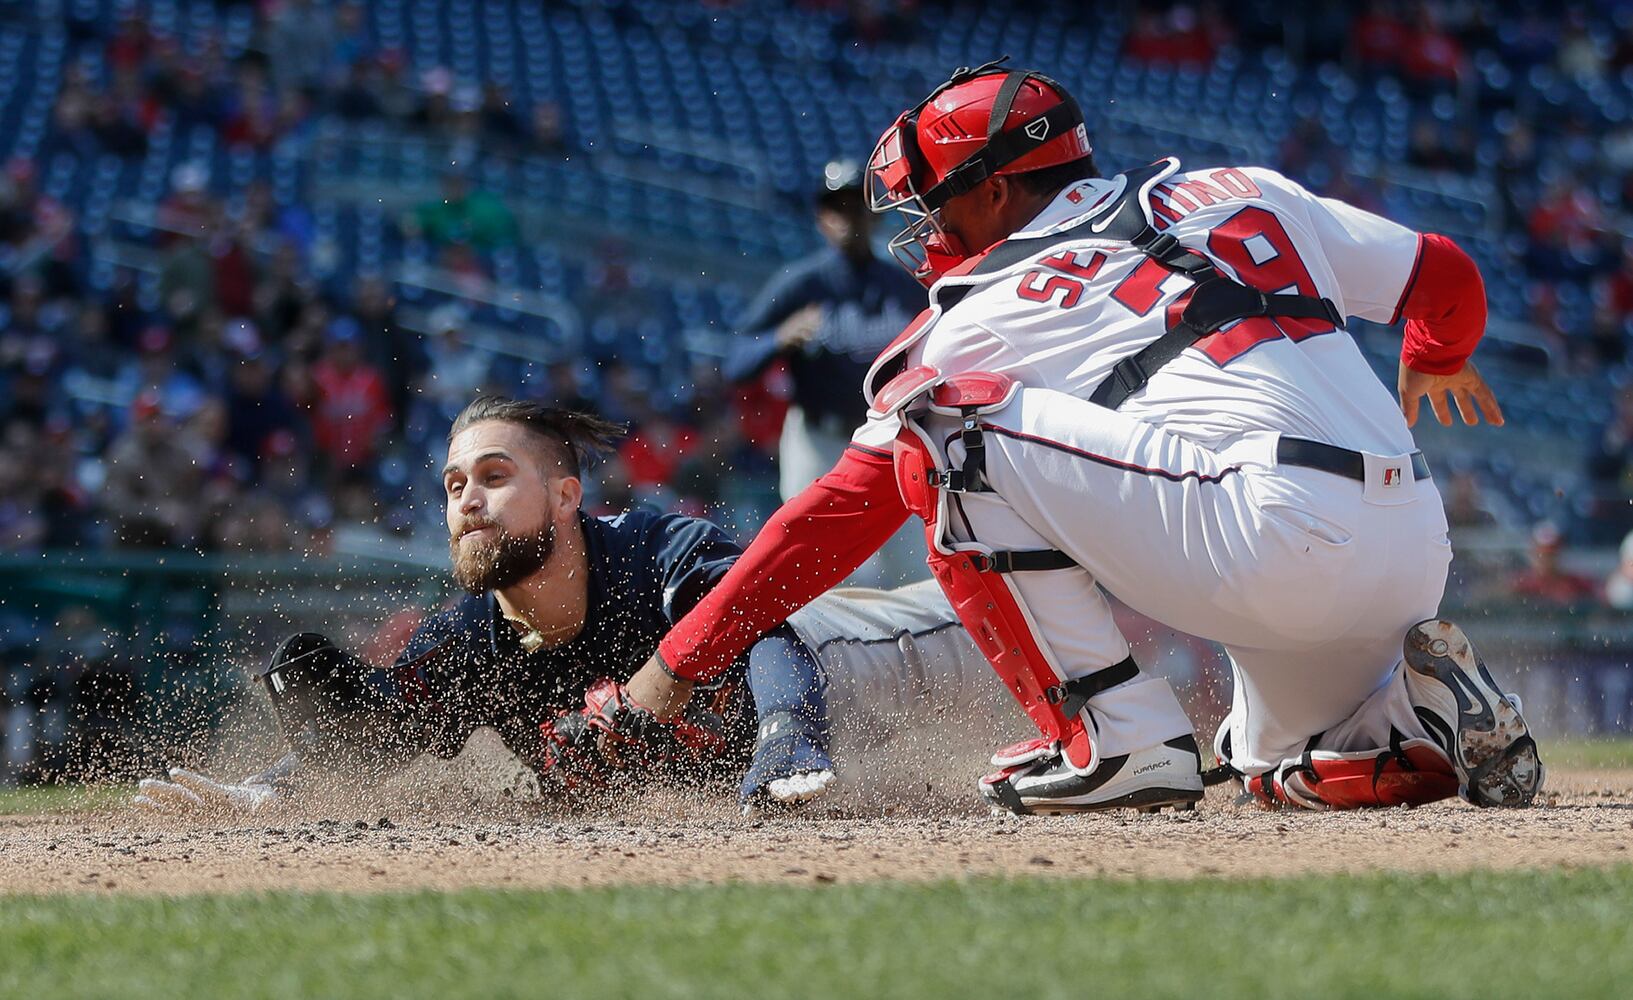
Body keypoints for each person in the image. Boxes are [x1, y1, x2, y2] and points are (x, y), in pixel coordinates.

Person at [622, 59, 1543, 815]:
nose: (924, 226)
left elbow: (828, 520)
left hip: (1266, 539)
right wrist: (1435, 352)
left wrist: (672, 666)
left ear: (993, 191)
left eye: (932, 200)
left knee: (939, 426)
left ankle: (1109, 736)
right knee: (1274, 767)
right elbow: (1446, 274)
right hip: (1411, 546)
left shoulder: (977, 306)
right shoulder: (1239, 187)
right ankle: (1411, 716)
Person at [134, 396, 1014, 817]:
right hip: (788, 738)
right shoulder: (465, 643)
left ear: (564, 496)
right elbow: (378, 742)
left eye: (492, 475)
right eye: (451, 485)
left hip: (864, 656)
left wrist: (787, 732)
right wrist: (258, 793)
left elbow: (760, 624)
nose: (466, 500)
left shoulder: (652, 552)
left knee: (1021, 623)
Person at [725, 159, 925, 586]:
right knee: (814, 562)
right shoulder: (801, 284)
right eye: (837, 207)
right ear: (821, 218)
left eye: (856, 206)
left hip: (886, 438)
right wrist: (777, 339)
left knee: (913, 570)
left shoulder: (903, 287)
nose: (847, 217)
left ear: (873, 215)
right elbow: (735, 360)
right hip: (817, 440)